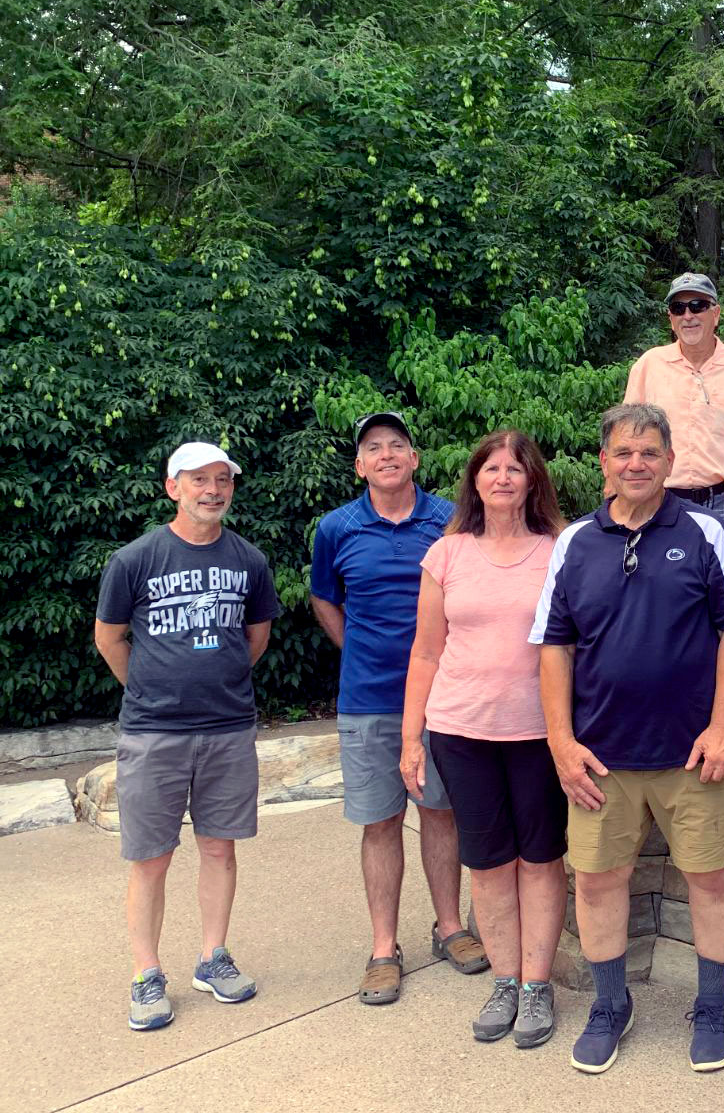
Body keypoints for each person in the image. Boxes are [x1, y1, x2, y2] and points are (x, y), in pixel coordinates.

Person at [531, 403, 724, 1075]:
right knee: (598, 884)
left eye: (650, 453)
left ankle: (713, 1006)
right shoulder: (574, 543)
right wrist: (560, 744)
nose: (636, 464)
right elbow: (553, 647)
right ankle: (608, 1006)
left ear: (669, 461)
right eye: (624, 453)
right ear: (604, 461)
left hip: (694, 756)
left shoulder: (705, 533)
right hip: (600, 757)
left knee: (712, 879)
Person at [94, 442, 282, 1031]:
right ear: (172, 487)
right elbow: (110, 638)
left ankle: (213, 957)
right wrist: (152, 691)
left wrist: (215, 685)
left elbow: (256, 638)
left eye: (222, 480)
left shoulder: (249, 559)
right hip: (154, 734)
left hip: (227, 729)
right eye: (199, 479)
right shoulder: (135, 559)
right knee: (151, 857)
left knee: (220, 848)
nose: (213, 490)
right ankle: (146, 974)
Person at [399, 430, 568, 1047]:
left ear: (532, 482)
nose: (502, 478)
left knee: (541, 859)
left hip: (538, 732)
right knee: (491, 862)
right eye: (490, 468)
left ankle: (536, 987)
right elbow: (425, 650)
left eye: (515, 469)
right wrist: (410, 738)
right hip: (459, 729)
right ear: (474, 480)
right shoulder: (446, 555)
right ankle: (504, 980)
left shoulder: (558, 551)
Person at [310, 411, 485, 1006]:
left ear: (414, 459)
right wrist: (359, 649)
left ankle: (450, 928)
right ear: (359, 466)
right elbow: (325, 600)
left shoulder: (451, 521)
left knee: (439, 811)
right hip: (368, 701)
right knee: (380, 822)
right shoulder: (335, 528)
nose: (386, 455)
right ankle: (384, 949)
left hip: (445, 701)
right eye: (373, 448)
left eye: (397, 446)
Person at [623, 272, 724, 537]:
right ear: (671, 319)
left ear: (716, 313)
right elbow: (625, 438)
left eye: (698, 305)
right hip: (658, 499)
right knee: (658, 578)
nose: (689, 315)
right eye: (679, 308)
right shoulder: (648, 366)